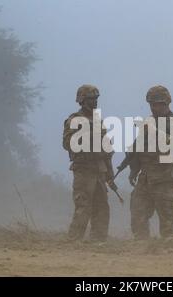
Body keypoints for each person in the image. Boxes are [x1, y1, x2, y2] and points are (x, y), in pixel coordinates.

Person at [129, 85, 173, 240]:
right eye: (152, 104)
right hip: (146, 178)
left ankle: (169, 258)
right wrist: (133, 168)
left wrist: (154, 132)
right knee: (138, 215)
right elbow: (137, 148)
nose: (154, 108)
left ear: (167, 103)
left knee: (168, 224)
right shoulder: (149, 123)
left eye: (158, 104)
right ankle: (143, 249)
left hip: (166, 178)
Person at [62, 84, 117, 242]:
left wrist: (110, 175)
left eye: (96, 99)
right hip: (84, 170)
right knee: (83, 207)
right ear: (82, 100)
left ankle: (98, 241)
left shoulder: (99, 122)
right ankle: (74, 240)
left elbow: (107, 151)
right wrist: (87, 136)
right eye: (91, 99)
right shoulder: (74, 120)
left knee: (102, 208)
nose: (94, 102)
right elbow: (67, 143)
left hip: (99, 171)